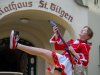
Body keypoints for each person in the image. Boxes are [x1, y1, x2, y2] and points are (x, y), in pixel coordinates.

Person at [9, 26, 93, 75]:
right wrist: (56, 35)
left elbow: (84, 62)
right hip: (62, 61)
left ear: (88, 37)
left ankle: (16, 45)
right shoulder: (72, 42)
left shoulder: (85, 46)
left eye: (85, 30)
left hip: (66, 64)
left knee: (42, 52)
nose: (82, 29)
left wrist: (73, 52)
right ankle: (16, 45)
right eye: (83, 28)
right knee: (41, 53)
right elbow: (59, 46)